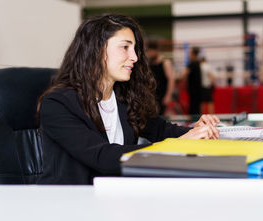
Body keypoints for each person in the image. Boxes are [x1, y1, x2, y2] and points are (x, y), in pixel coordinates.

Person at [37, 14, 220, 185]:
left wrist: (197, 129)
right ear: (96, 50)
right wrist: (178, 145)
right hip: (71, 205)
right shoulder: (58, 104)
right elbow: (103, 157)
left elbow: (161, 130)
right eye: (125, 47)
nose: (134, 57)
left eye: (135, 49)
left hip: (115, 197)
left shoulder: (124, 98)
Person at [146, 40, 175, 115]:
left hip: (163, 95)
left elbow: (171, 79)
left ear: (156, 51)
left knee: (162, 117)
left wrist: (168, 95)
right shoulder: (149, 63)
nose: (149, 54)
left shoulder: (165, 63)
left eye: (150, 51)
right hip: (153, 96)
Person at [181, 47, 202, 114]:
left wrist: (175, 79)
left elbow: (183, 74)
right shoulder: (198, 63)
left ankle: (194, 122)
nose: (189, 55)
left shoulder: (192, 64)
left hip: (194, 90)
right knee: (196, 108)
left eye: (190, 54)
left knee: (194, 108)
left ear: (193, 54)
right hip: (197, 90)